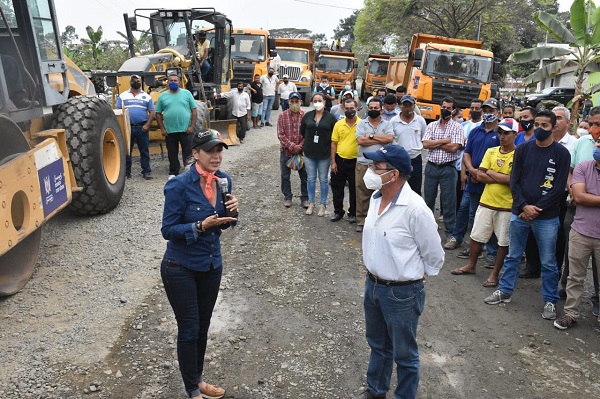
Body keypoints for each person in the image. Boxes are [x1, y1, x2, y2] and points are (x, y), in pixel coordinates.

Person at [352, 144, 444, 399]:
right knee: (378, 345)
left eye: (376, 167)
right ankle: (376, 389)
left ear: (393, 174)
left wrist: (415, 275)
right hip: (372, 286)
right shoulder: (376, 198)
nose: (370, 170)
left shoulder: (415, 209)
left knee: (405, 354)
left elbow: (434, 253)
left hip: (401, 293)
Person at [160, 129, 239, 399]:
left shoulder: (223, 180)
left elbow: (225, 224)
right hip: (180, 267)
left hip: (211, 265)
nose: (216, 156)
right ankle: (192, 391)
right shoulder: (178, 185)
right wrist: (198, 226)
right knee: (190, 328)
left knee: (203, 327)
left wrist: (233, 213)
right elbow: (168, 230)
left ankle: (198, 379)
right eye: (210, 151)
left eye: (219, 151)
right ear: (195, 154)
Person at [484, 110, 570, 321]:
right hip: (519, 214)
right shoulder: (523, 150)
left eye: (544, 125)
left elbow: (559, 188)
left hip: (546, 217)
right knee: (513, 255)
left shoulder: (561, 154)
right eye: (536, 123)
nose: (539, 128)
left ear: (554, 127)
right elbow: (515, 181)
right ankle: (505, 291)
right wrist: (523, 206)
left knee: (549, 261)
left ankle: (550, 300)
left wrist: (535, 209)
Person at [450, 118, 518, 288]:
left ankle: (494, 274)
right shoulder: (492, 151)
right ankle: (471, 265)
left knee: (503, 241)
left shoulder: (518, 154)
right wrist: (500, 177)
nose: (502, 136)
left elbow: (514, 180)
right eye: (500, 133)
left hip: (506, 205)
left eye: (507, 133)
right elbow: (479, 175)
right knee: (476, 235)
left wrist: (491, 173)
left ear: (515, 134)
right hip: (486, 201)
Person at [520, 106, 576, 279]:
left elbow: (569, 174)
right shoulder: (530, 146)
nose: (556, 121)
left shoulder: (573, 144)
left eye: (559, 118)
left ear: (567, 122)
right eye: (555, 117)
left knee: (556, 238)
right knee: (530, 235)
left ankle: (553, 271)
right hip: (530, 200)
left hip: (556, 200)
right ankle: (532, 266)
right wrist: (526, 205)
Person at [554, 138, 600, 329]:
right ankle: (570, 314)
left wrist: (589, 198)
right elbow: (578, 195)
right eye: (598, 144)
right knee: (575, 276)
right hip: (581, 231)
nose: (597, 147)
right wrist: (583, 197)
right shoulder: (583, 167)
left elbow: (583, 196)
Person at [444, 99, 500, 251]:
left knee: (481, 214)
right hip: (472, 178)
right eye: (486, 110)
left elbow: (501, 158)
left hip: (489, 181)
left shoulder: (500, 133)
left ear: (498, 113)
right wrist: (471, 171)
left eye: (491, 110)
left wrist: (481, 173)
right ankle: (457, 237)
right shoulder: (476, 131)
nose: (488, 113)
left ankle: (481, 247)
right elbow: (467, 153)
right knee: (464, 209)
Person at [423, 96, 464, 239]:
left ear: (453, 110)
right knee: (428, 199)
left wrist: (435, 143)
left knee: (449, 201)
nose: (445, 110)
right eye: (443, 107)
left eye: (448, 108)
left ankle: (450, 232)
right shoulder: (431, 125)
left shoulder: (457, 127)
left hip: (448, 168)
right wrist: (444, 141)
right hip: (431, 166)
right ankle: (427, 229)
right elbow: (425, 144)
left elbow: (454, 148)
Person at [354, 98, 394, 232]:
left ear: (381, 110)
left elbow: (389, 139)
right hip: (363, 164)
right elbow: (360, 140)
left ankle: (378, 220)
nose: (373, 110)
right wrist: (379, 138)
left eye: (376, 108)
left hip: (382, 166)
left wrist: (370, 136)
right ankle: (361, 220)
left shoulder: (388, 124)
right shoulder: (361, 123)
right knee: (362, 193)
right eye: (370, 108)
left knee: (381, 193)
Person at [300, 93, 338, 216]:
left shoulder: (331, 118)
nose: (317, 103)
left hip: (324, 153)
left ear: (325, 102)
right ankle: (311, 203)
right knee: (310, 179)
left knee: (323, 179)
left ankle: (323, 204)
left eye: (319, 100)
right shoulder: (308, 116)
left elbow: (335, 135)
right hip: (310, 153)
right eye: (315, 100)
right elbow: (302, 131)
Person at [156, 73, 198, 179]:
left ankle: (189, 171)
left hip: (186, 130)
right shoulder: (162, 96)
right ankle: (174, 172)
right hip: (170, 131)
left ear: (179, 82)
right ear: (167, 82)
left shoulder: (187, 93)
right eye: (171, 81)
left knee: (188, 152)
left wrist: (192, 126)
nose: (173, 82)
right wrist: (162, 128)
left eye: (175, 80)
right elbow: (158, 113)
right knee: (172, 153)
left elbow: (194, 110)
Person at [117, 74, 155, 180]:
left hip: (142, 128)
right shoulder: (123, 96)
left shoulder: (147, 97)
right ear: (130, 83)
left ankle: (146, 172)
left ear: (140, 82)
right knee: (126, 151)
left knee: (144, 151)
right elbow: (118, 111)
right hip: (127, 128)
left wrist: (147, 125)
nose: (135, 81)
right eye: (133, 80)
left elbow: (152, 112)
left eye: (137, 80)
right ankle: (126, 172)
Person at [389, 94, 426, 195]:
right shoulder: (394, 121)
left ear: (414, 106)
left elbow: (423, 138)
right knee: (398, 188)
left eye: (410, 105)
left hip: (415, 159)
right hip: (399, 160)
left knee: (415, 189)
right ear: (400, 106)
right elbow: (391, 140)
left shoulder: (420, 120)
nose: (407, 108)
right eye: (405, 105)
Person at [330, 98, 360, 223]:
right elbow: (334, 143)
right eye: (347, 108)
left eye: (352, 108)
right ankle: (338, 211)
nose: (349, 111)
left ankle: (352, 213)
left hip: (355, 161)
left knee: (354, 189)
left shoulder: (362, 124)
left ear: (357, 108)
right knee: (337, 187)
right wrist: (333, 162)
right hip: (340, 160)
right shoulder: (338, 124)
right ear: (343, 108)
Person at [277, 92, 308, 208]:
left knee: (304, 176)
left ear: (300, 102)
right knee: (285, 176)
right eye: (292, 101)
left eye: (297, 101)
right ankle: (288, 197)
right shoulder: (282, 116)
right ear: (288, 102)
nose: (294, 104)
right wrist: (292, 146)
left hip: (301, 152)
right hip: (286, 151)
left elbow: (307, 134)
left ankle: (305, 198)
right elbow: (280, 134)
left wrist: (300, 146)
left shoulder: (305, 116)